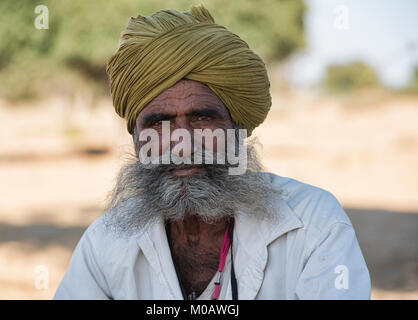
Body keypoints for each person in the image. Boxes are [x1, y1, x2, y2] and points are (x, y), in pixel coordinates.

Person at [53, 4, 370, 300]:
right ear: (136, 139)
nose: (182, 144)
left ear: (237, 128)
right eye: (159, 123)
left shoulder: (313, 225)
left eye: (202, 118)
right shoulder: (105, 244)